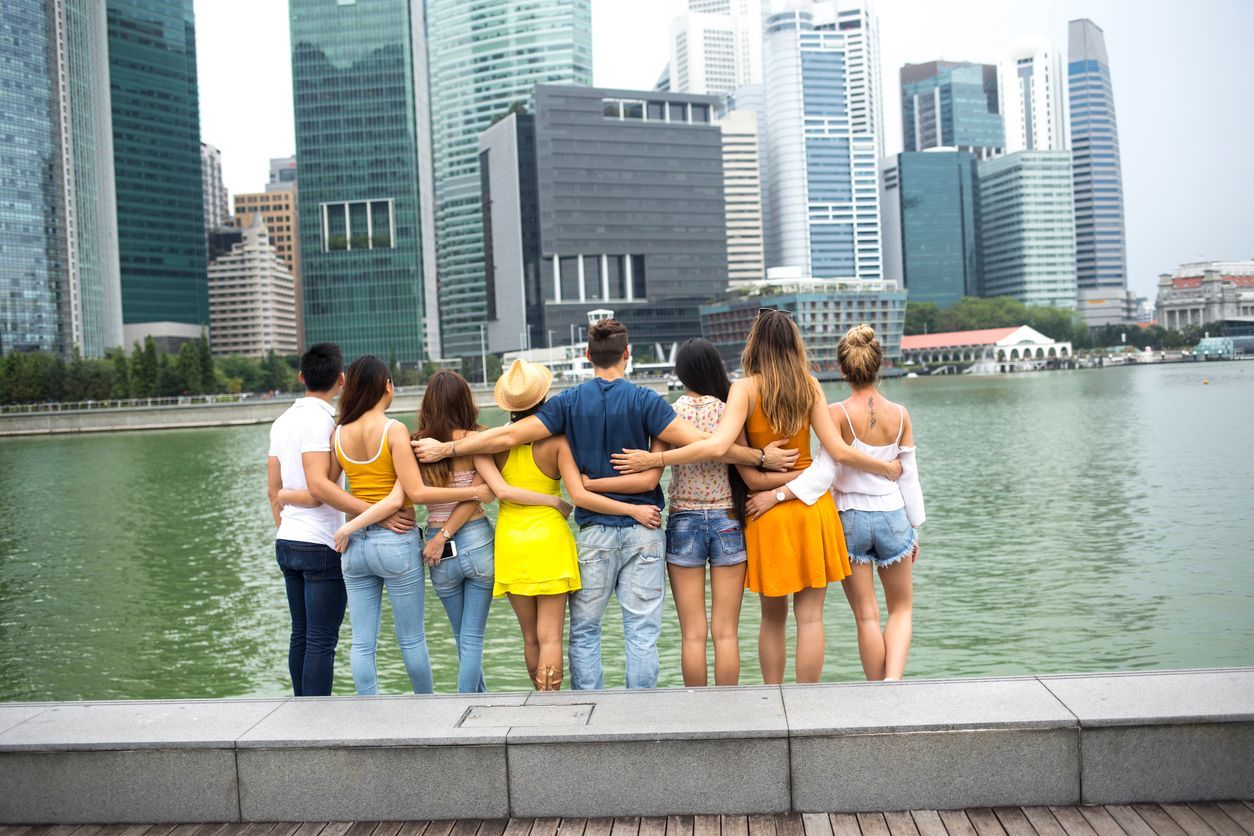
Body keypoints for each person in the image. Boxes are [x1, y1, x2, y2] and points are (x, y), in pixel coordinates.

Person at [414, 319, 800, 690]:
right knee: (642, 631)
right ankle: (639, 710)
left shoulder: (567, 402)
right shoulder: (646, 400)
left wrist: (448, 448)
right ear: (627, 354)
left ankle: (589, 709)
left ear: (587, 354)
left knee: (584, 631)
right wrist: (759, 459)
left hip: (594, 533)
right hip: (644, 529)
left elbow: (508, 435)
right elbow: (703, 443)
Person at [611, 309, 902, 684]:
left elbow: (719, 447)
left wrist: (658, 458)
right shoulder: (810, 386)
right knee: (811, 618)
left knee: (772, 618)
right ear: (794, 343)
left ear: (755, 345)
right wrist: (886, 468)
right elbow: (838, 454)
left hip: (766, 514)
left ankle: (772, 697)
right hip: (813, 509)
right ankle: (805, 702)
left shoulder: (744, 389)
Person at [471, 359, 662, 690]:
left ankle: (542, 701)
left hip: (511, 543)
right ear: (543, 398)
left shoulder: (490, 444)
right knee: (552, 639)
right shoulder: (557, 443)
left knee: (530, 638)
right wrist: (560, 502)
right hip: (549, 541)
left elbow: (494, 493)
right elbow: (581, 494)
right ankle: (553, 701)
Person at [748, 325, 925, 681]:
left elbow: (823, 473)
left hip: (851, 519)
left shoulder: (836, 414)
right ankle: (892, 684)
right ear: (880, 365)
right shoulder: (901, 415)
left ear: (842, 369)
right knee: (901, 609)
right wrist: (914, 528)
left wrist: (776, 495)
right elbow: (908, 476)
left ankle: (877, 685)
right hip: (894, 516)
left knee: (867, 615)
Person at [315, 355, 492, 695]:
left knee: (363, 643)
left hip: (355, 549)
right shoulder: (394, 431)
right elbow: (409, 494)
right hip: (396, 542)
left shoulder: (338, 434)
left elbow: (325, 488)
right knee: (411, 638)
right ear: (386, 386)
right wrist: (476, 491)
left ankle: (370, 709)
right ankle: (426, 707)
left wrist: (352, 525)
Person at [587, 338, 749, 686]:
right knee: (726, 633)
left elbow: (654, 470)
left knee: (692, 633)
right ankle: (729, 711)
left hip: (683, 521)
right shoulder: (729, 411)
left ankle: (696, 711)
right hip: (728, 520)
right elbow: (741, 459)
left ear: (681, 373)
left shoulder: (668, 411)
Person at [265, 343, 349, 697]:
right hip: (319, 543)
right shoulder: (321, 422)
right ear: (341, 381)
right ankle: (314, 723)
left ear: (301, 378)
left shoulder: (282, 421)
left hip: (288, 541)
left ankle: (302, 714)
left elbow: (273, 489)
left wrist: (286, 522)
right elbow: (318, 489)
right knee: (320, 640)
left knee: (300, 632)